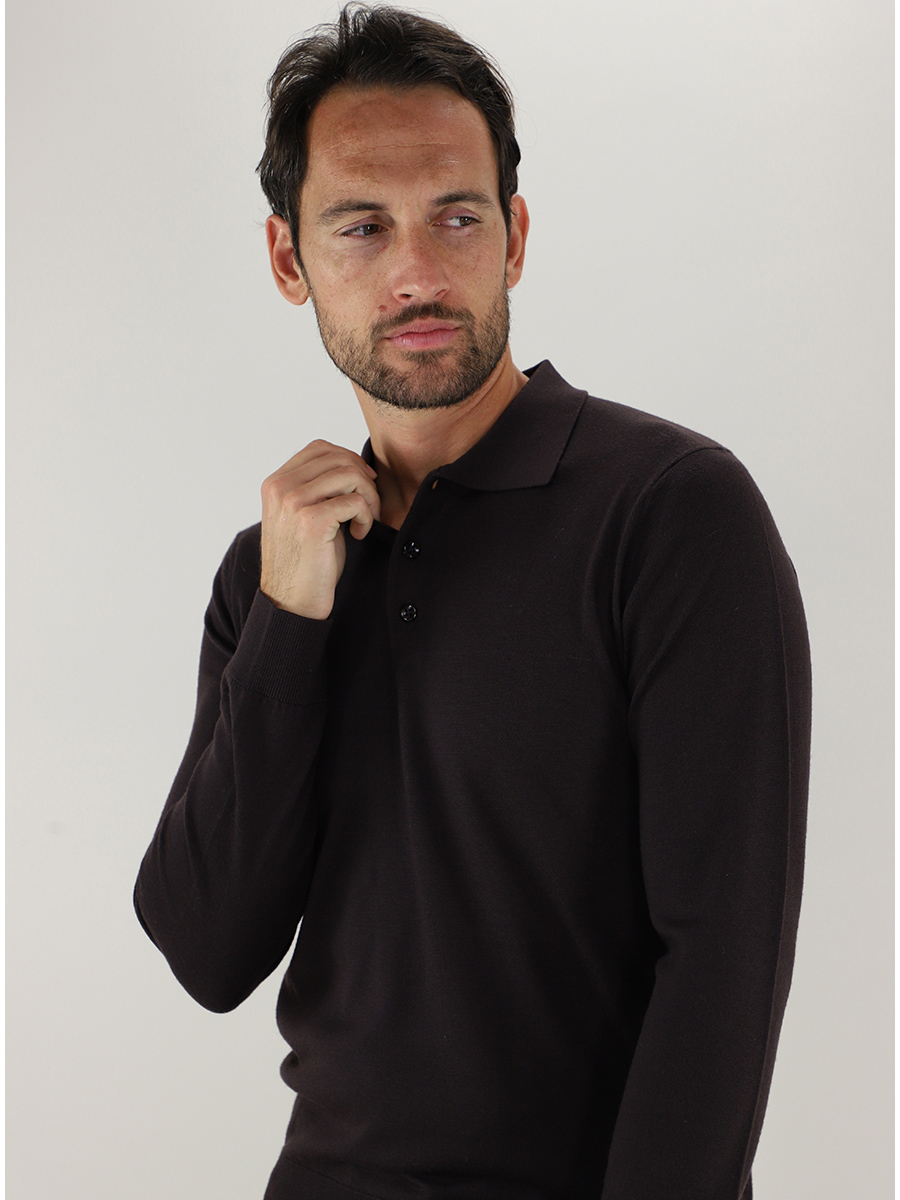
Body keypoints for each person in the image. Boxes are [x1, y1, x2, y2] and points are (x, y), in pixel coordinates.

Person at [134, 5, 812, 1198]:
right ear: (289, 261)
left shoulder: (669, 513)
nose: (418, 273)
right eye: (362, 226)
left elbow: (721, 963)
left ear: (515, 236)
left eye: (457, 216)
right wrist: (288, 622)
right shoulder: (272, 572)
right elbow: (206, 947)